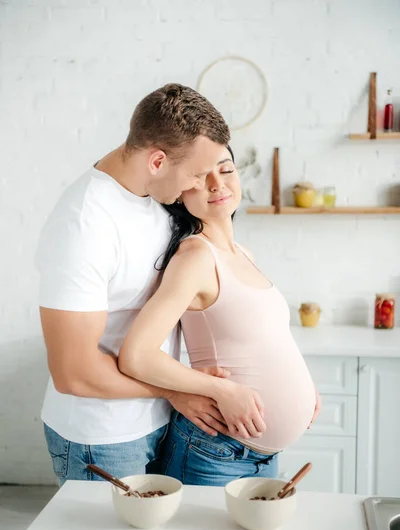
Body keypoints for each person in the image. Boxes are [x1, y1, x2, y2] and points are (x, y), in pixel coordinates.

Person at [35, 84, 265, 486]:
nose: (197, 184)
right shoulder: (84, 224)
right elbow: (72, 372)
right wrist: (174, 392)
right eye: (195, 173)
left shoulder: (155, 195)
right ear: (157, 160)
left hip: (162, 422)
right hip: (102, 438)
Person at [118, 145, 321, 486]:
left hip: (260, 455)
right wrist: (223, 392)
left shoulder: (243, 253)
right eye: (201, 176)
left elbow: (265, 337)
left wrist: (303, 387)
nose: (217, 183)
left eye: (226, 170)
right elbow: (136, 356)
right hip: (214, 452)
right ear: (180, 193)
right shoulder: (196, 255)